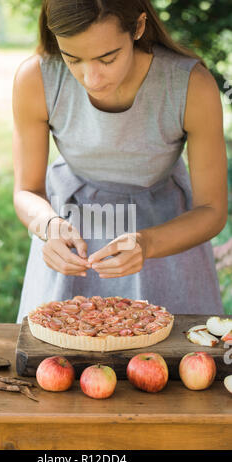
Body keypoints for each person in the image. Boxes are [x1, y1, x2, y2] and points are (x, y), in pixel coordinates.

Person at [13, 0, 228, 324]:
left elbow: (212, 211)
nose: (92, 78)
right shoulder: (37, 78)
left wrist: (147, 243)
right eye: (74, 59)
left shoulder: (190, 85)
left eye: (108, 58)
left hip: (166, 236)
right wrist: (48, 226)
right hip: (74, 233)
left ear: (138, 27)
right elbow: (26, 191)